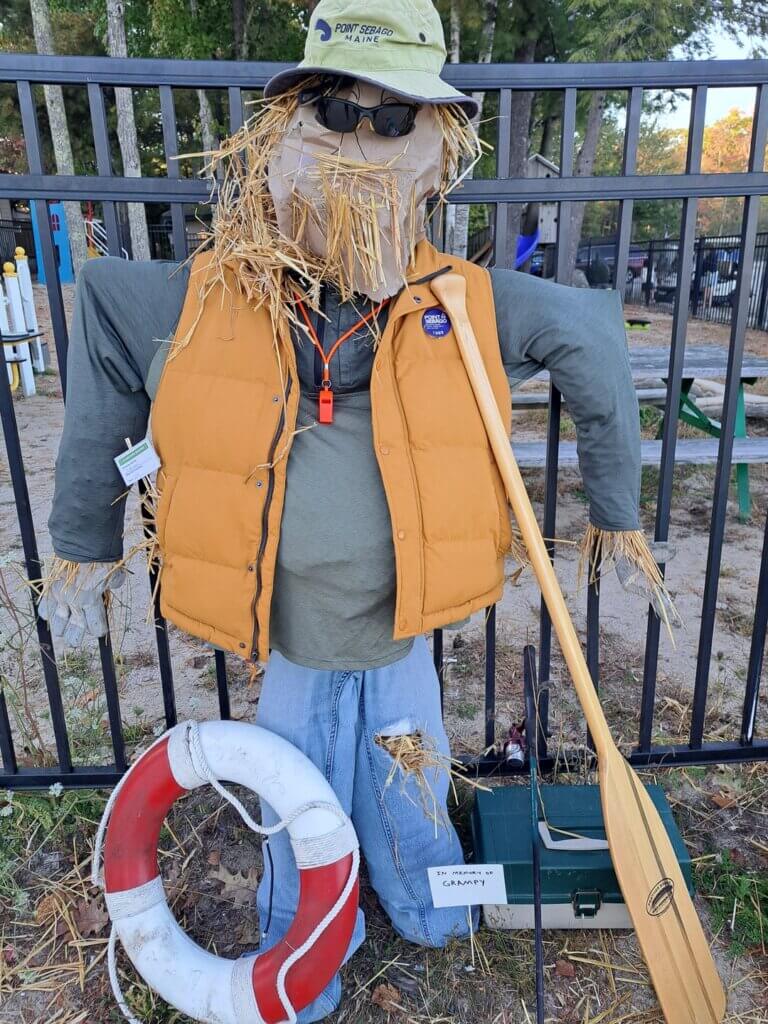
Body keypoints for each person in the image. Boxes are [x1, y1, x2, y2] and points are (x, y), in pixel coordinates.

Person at [40, 1, 672, 1019]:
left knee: (407, 771)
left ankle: (422, 899)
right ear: (282, 128)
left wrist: (616, 511)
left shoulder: (461, 300)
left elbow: (592, 334)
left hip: (401, 631)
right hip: (291, 632)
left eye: (394, 121)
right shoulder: (209, 295)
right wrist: (81, 537)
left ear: (440, 148)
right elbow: (107, 313)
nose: (361, 143)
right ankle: (306, 939)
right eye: (336, 110)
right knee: (297, 791)